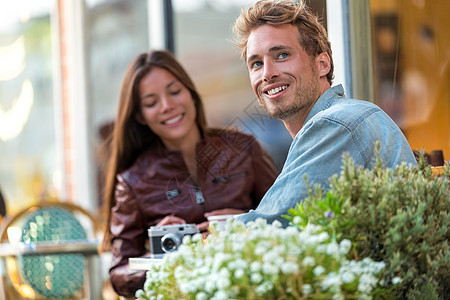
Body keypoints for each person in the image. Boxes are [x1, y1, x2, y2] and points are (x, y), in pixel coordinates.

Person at [100, 50, 278, 298]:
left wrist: (244, 222)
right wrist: (161, 255)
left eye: (174, 92)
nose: (167, 106)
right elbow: (119, 274)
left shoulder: (243, 149)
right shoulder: (132, 182)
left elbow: (287, 217)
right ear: (140, 116)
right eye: (151, 103)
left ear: (191, 94)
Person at [232, 0, 417, 226]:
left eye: (281, 55)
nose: (267, 74)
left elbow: (271, 225)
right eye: (257, 64)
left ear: (322, 64)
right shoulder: (341, 120)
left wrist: (202, 236)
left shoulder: (336, 123)